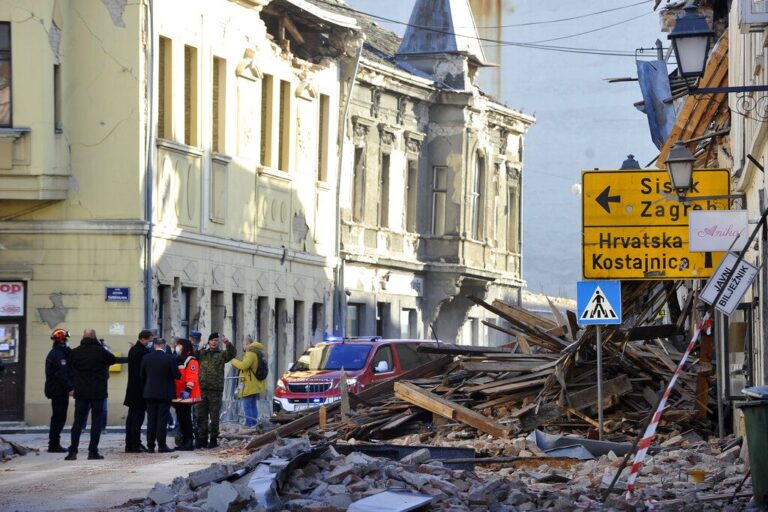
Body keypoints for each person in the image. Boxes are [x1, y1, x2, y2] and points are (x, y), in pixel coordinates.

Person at [65, 329, 117, 460]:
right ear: (95, 337)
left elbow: (69, 369)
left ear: (83, 337)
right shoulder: (101, 351)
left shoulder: (75, 352)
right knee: (96, 422)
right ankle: (93, 451)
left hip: (81, 391)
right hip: (98, 392)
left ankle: (72, 452)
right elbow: (112, 359)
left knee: (78, 421)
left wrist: (71, 387)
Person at [140, 338, 180, 453]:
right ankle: (162, 445)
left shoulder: (146, 358)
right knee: (162, 420)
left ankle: (150, 446)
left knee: (151, 419)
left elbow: (142, 375)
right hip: (165, 393)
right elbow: (177, 375)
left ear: (154, 345)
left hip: (149, 392)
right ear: (164, 345)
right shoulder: (170, 358)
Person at [196, 332, 235, 449]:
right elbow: (194, 357)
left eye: (216, 340)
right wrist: (200, 348)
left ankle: (213, 439)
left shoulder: (222, 354)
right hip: (202, 389)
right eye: (212, 340)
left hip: (215, 390)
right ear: (208, 342)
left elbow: (232, 354)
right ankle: (202, 439)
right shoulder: (203, 354)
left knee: (214, 417)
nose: (214, 342)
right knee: (201, 416)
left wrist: (228, 343)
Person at [44, 328, 73, 453]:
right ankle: (54, 445)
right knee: (58, 417)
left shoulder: (58, 353)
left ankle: (54, 443)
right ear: (62, 341)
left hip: (58, 390)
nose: (67, 342)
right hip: (58, 391)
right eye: (66, 339)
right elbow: (62, 374)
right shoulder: (58, 355)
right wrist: (70, 388)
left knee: (58, 417)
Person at [123, 329, 152, 452]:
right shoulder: (141, 352)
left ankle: (130, 443)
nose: (150, 343)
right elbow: (143, 372)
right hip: (139, 390)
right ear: (143, 339)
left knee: (131, 418)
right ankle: (135, 444)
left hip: (133, 389)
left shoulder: (134, 350)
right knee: (137, 419)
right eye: (149, 340)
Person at [229, 336, 267, 427]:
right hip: (255, 383)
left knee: (247, 406)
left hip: (249, 384)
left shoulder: (250, 353)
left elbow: (244, 365)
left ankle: (250, 424)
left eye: (243, 344)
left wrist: (232, 360)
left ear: (247, 344)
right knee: (253, 405)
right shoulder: (257, 352)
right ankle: (254, 424)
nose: (243, 346)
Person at [171, 338, 201, 450]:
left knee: (186, 419)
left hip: (186, 394)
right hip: (178, 394)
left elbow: (191, 377)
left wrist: (187, 390)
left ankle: (189, 442)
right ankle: (184, 441)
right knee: (181, 419)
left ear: (184, 346)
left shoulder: (191, 360)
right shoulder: (179, 359)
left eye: (179, 345)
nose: (177, 347)